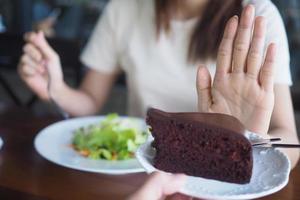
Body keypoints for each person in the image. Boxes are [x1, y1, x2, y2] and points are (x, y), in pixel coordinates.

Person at [19, 0, 299, 169]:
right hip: (138, 174)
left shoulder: (259, 15)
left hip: (223, 180)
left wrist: (246, 145)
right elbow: (90, 100)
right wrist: (55, 88)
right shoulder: (125, 8)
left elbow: (288, 136)